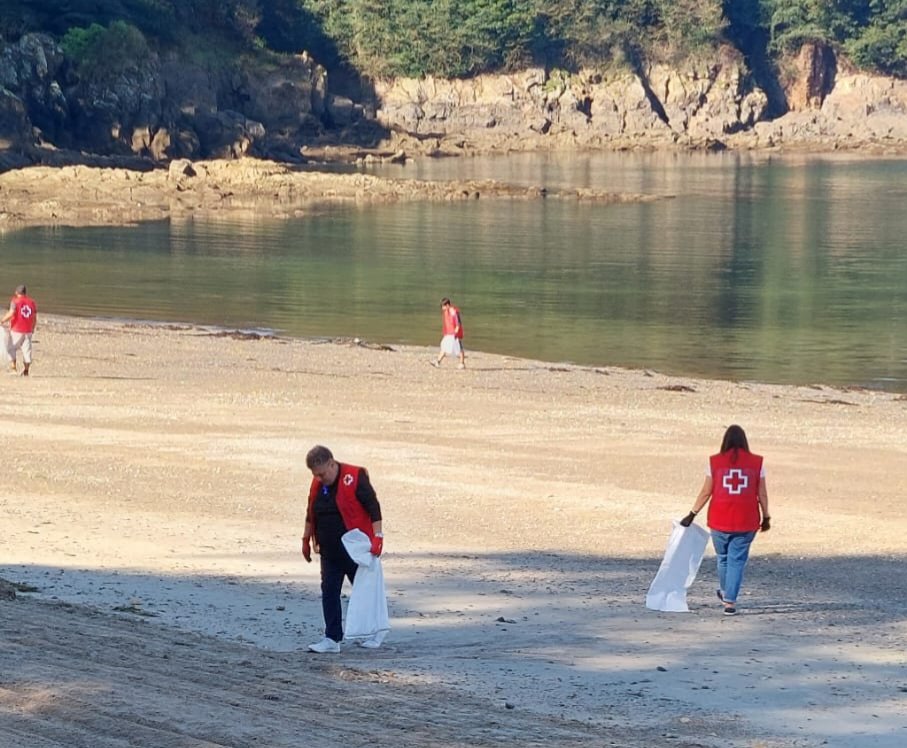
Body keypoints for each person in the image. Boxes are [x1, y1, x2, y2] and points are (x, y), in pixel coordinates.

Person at [679, 424, 770, 616]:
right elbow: (761, 492)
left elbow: (706, 492)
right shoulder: (757, 463)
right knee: (737, 560)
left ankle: (726, 592)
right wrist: (766, 516)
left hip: (720, 518)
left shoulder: (715, 462)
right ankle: (730, 601)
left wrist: (692, 513)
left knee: (723, 558)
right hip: (747, 519)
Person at [302, 445, 384, 653]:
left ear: (332, 463)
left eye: (322, 473)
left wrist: (378, 536)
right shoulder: (317, 484)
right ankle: (332, 638)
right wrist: (305, 538)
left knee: (365, 590)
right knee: (329, 591)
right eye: (316, 475)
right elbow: (311, 512)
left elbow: (373, 507)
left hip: (354, 548)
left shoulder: (355, 477)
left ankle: (376, 631)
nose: (320, 478)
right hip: (329, 549)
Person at [1, 285, 37, 376]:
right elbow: (34, 317)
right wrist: (32, 328)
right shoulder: (32, 302)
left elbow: (11, 313)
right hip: (28, 330)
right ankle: (26, 371)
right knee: (27, 349)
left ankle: (14, 368)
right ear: (25, 293)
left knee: (11, 347)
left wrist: (2, 321)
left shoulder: (15, 301)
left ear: (16, 292)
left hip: (17, 329)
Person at [434, 297, 465, 369]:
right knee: (444, 347)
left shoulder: (454, 312)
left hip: (455, 333)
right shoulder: (447, 312)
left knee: (460, 348)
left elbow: (458, 323)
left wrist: (456, 333)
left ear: (447, 305)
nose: (442, 308)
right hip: (449, 333)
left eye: (443, 306)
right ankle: (438, 361)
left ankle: (462, 363)